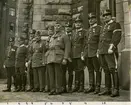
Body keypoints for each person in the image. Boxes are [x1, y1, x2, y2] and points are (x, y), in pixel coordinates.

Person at [98, 9, 121, 97]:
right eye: (104, 15)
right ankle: (107, 89)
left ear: (111, 16)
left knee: (113, 69)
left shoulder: (115, 24)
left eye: (107, 15)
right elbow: (101, 40)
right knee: (106, 70)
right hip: (102, 51)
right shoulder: (103, 26)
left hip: (110, 51)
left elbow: (116, 37)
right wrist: (99, 50)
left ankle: (116, 89)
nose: (105, 17)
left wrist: (112, 47)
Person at [45, 20, 71, 95]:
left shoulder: (64, 36)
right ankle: (52, 89)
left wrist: (65, 58)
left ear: (61, 27)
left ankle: (58, 89)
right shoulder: (52, 36)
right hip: (50, 57)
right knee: (51, 74)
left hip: (58, 56)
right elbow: (48, 47)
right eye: (55, 26)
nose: (57, 27)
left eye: (58, 26)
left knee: (58, 74)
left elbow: (67, 47)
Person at [82, 13, 101, 94]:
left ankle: (97, 86)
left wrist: (98, 50)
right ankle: (91, 86)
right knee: (90, 70)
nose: (90, 20)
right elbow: (86, 43)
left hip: (95, 52)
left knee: (97, 70)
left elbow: (100, 40)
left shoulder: (99, 28)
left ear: (96, 19)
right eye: (89, 19)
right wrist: (84, 53)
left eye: (92, 18)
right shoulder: (88, 30)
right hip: (88, 53)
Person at [72, 15, 86, 92]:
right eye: (76, 22)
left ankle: (81, 86)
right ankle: (76, 85)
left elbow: (85, 43)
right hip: (74, 54)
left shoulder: (84, 32)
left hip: (80, 53)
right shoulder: (73, 32)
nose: (77, 24)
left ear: (81, 24)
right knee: (76, 70)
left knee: (81, 70)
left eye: (79, 22)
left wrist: (83, 53)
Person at [61, 20, 73, 93]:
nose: (68, 28)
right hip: (63, 57)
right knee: (63, 72)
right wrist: (65, 56)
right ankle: (63, 87)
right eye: (66, 27)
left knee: (71, 73)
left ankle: (70, 86)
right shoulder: (62, 36)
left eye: (69, 27)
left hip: (72, 57)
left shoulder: (74, 35)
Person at [45, 25, 55, 92]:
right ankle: (49, 87)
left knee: (53, 73)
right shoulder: (48, 38)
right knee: (48, 73)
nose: (50, 32)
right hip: (48, 57)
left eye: (51, 30)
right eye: (48, 31)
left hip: (54, 57)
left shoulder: (54, 37)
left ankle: (53, 88)